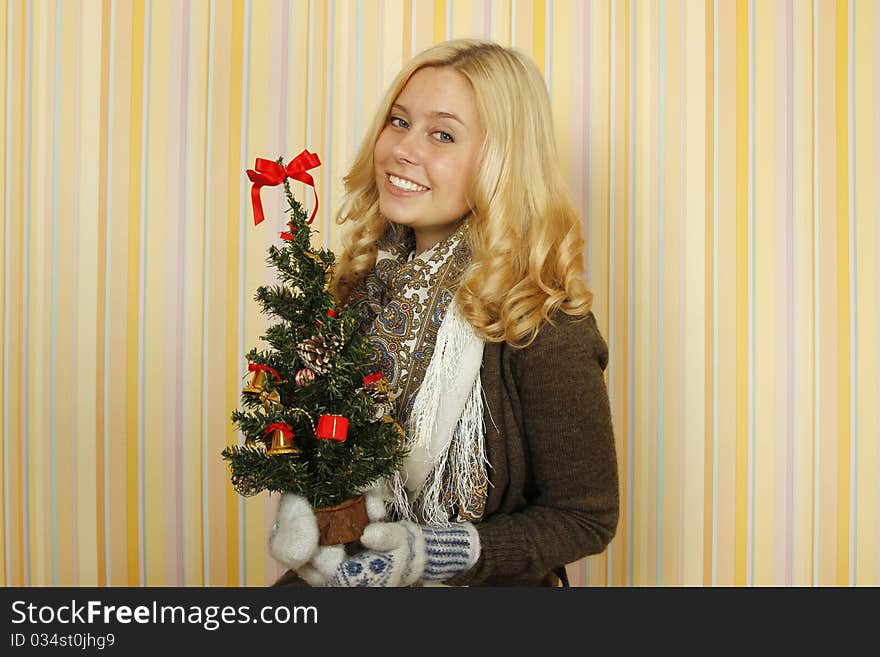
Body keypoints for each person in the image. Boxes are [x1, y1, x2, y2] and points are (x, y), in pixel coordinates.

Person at [268, 38, 618, 587]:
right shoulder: (356, 288)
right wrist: (305, 506)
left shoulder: (540, 322)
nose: (402, 150)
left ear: (500, 163)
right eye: (399, 121)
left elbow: (585, 518)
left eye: (442, 134)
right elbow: (317, 440)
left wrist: (442, 551)